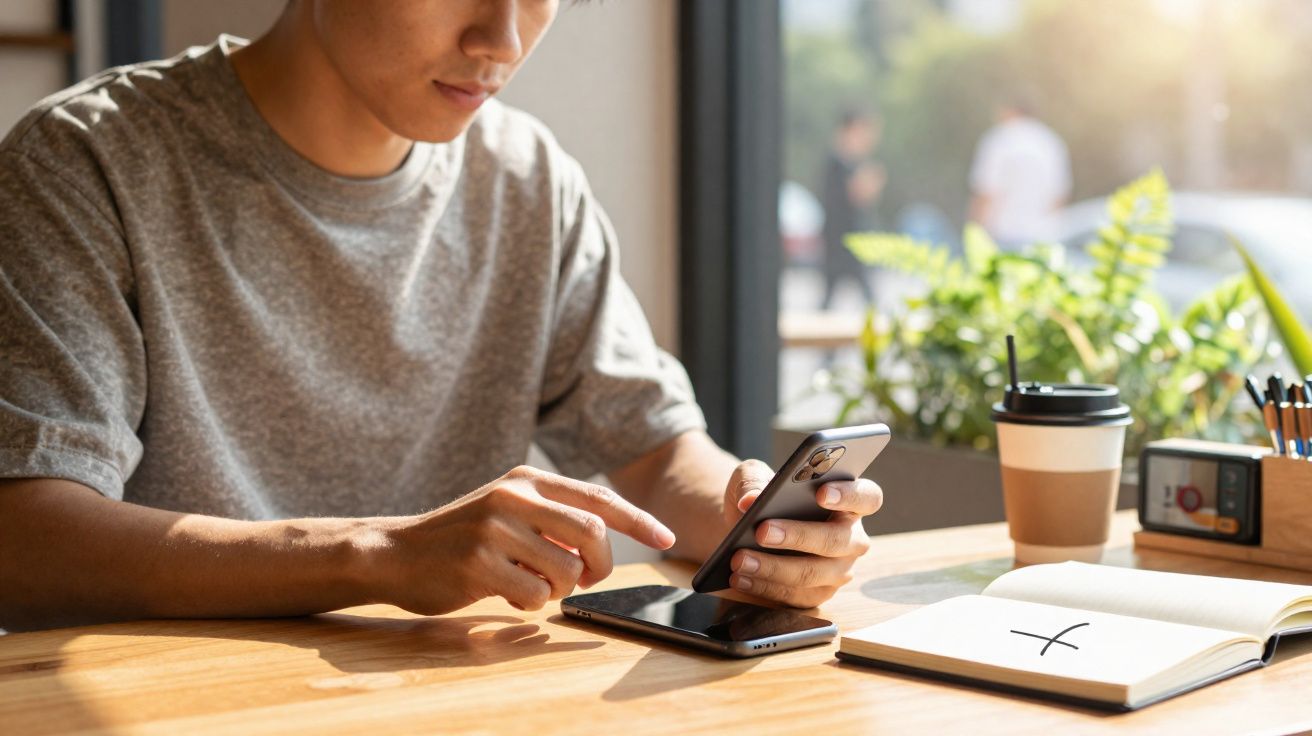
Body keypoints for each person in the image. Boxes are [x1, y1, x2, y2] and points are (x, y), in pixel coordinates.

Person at [0, 1, 883, 632]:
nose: (499, 40)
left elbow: (655, 452)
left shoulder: (529, 180)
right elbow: (25, 540)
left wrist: (760, 526)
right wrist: (379, 553)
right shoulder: (86, 163)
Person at [968, 94, 1072, 247]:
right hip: (1041, 239)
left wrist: (974, 237)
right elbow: (1059, 195)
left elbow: (986, 193)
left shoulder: (999, 139)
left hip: (1002, 237)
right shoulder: (1051, 142)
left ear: (1009, 110)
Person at [819, 108, 885, 310]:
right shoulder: (836, 164)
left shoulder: (855, 163)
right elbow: (855, 195)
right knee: (837, 297)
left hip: (856, 239)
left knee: (860, 296)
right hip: (841, 241)